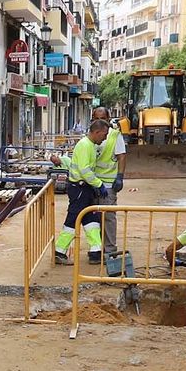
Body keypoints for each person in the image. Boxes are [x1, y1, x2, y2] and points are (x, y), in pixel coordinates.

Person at [53, 120, 115, 265]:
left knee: (91, 220)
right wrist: (99, 184)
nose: (105, 138)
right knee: (73, 220)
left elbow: (80, 166)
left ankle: (96, 252)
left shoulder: (89, 145)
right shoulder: (85, 145)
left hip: (85, 189)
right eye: (104, 135)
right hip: (80, 188)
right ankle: (59, 252)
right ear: (97, 132)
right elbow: (84, 170)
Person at [91, 106, 127, 258]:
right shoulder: (90, 135)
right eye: (97, 119)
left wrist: (119, 176)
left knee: (109, 217)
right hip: (92, 183)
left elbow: (121, 156)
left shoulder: (114, 135)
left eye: (103, 119)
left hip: (108, 186)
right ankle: (97, 249)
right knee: (93, 218)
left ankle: (110, 250)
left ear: (108, 119)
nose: (100, 121)